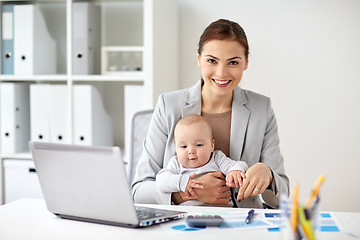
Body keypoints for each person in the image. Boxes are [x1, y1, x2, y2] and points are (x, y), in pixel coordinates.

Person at [132, 19, 289, 208]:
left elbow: (283, 198)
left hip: (242, 225)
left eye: (233, 62)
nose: (221, 73)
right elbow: (138, 191)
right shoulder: (168, 105)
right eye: (211, 61)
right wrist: (186, 194)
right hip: (184, 226)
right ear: (198, 58)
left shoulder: (261, 109)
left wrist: (269, 175)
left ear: (246, 62)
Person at [156, 114, 249, 206]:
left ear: (212, 145)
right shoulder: (176, 163)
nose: (191, 151)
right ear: (176, 148)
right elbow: (161, 181)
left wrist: (235, 171)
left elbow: (239, 164)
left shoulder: (216, 158)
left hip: (222, 211)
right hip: (189, 213)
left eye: (199, 145)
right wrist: (181, 182)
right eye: (184, 146)